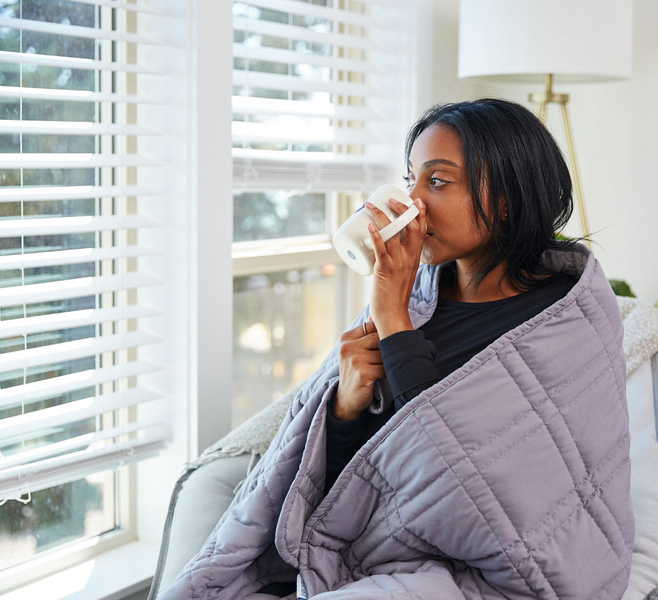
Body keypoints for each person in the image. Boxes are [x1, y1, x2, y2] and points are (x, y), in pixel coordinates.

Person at [160, 98, 633, 600]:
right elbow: (360, 472)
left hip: (472, 566)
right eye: (410, 181)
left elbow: (463, 482)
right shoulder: (417, 291)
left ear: (508, 199)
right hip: (372, 543)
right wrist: (344, 409)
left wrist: (392, 319)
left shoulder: (565, 319)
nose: (411, 203)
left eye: (437, 181)